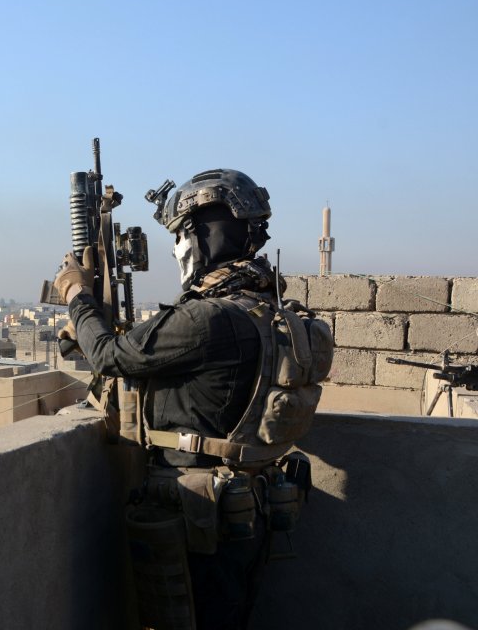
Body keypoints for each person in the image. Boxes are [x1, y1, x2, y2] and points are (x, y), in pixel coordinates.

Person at [52, 169, 329, 630]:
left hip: (200, 517)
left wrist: (77, 293)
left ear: (202, 236)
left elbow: (108, 355)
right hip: (250, 508)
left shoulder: (208, 318)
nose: (179, 247)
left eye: (182, 234)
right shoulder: (271, 313)